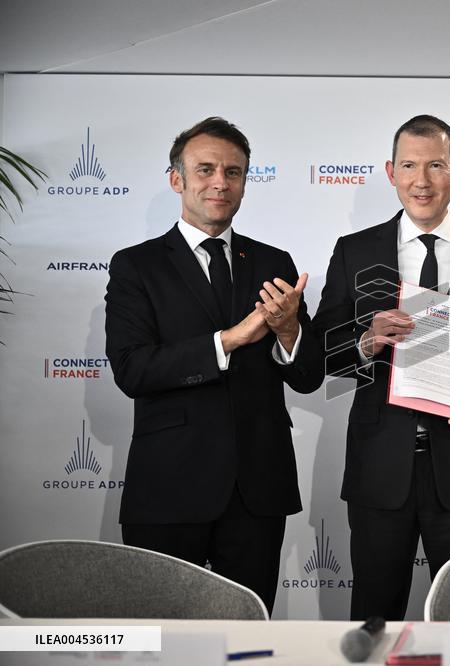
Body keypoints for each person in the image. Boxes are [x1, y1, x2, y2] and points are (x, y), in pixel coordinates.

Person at [105, 116, 324, 614]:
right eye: (205, 169)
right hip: (168, 487)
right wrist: (229, 340)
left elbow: (309, 377)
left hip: (257, 491)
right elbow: (132, 370)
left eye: (234, 171)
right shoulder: (136, 265)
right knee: (161, 638)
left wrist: (289, 331)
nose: (220, 182)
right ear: (176, 179)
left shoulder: (275, 263)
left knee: (247, 637)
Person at [312, 115, 450, 620]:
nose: (421, 180)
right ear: (390, 171)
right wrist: (367, 341)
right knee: (374, 614)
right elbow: (319, 351)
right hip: (379, 468)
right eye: (409, 165)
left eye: (435, 165)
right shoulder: (354, 251)